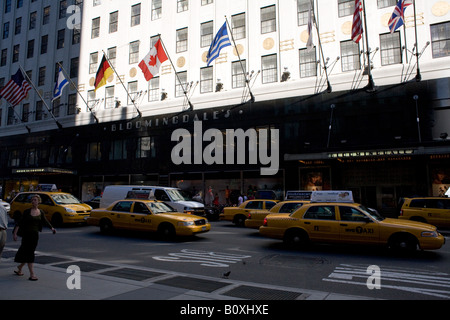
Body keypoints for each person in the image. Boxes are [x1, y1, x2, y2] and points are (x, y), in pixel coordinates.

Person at [12, 195, 56, 281]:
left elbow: (45, 221)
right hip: (26, 235)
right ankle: (32, 274)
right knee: (30, 253)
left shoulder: (41, 212)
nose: (33, 201)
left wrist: (52, 228)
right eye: (32, 200)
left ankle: (20, 267)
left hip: (35, 236)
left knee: (28, 253)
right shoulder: (27, 211)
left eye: (35, 200)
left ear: (38, 202)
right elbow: (19, 223)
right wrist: (15, 233)